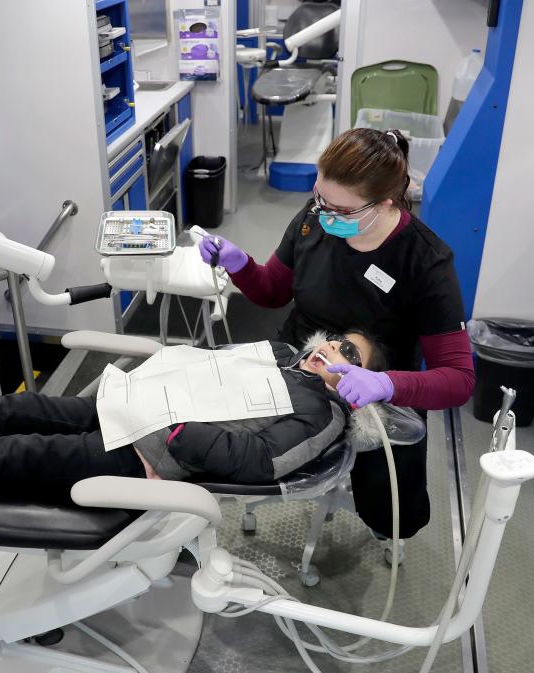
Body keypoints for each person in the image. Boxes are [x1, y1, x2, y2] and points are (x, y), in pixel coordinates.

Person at [198, 128, 475, 539]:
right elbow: (274, 291)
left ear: (385, 202)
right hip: (299, 360)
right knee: (215, 427)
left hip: (378, 387)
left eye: (342, 210)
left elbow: (458, 380)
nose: (326, 214)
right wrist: (240, 265)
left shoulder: (426, 262)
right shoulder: (314, 220)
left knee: (393, 509)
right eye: (319, 197)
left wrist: (384, 383)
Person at [0, 331, 387, 496]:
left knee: (20, 453)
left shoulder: (324, 416)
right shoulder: (281, 357)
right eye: (335, 340)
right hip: (131, 405)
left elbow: (261, 461)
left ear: (359, 382)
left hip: (152, 449)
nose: (332, 349)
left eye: (348, 354)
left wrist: (180, 433)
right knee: (19, 408)